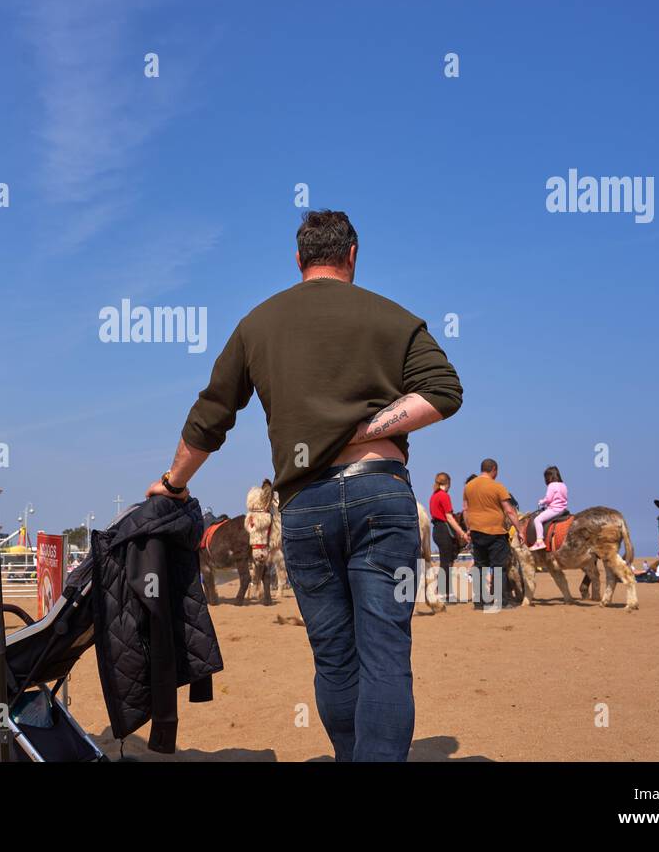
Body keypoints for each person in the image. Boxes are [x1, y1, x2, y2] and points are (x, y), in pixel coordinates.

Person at [146, 210, 462, 762]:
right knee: (386, 653)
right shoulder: (396, 318)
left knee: (335, 659)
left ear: (298, 260)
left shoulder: (258, 324)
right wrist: (366, 429)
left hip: (306, 505)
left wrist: (174, 483)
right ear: (353, 255)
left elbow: (211, 416)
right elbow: (443, 392)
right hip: (382, 496)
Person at [462, 460, 520, 610]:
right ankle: (501, 601)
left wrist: (469, 528)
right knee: (499, 566)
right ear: (494, 470)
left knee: (480, 567)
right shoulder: (498, 487)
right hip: (496, 532)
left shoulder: (469, 487)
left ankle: (479, 602)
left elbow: (465, 510)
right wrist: (520, 530)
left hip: (476, 532)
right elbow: (509, 510)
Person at [429, 472, 468, 602]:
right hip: (444, 530)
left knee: (444, 562)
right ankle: (444, 594)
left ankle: (444, 592)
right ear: (448, 483)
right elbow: (449, 518)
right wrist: (462, 532)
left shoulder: (433, 496)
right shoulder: (444, 496)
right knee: (446, 563)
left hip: (436, 530)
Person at [529, 466, 568, 551]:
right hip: (563, 509)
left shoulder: (552, 485)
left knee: (537, 520)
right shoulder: (563, 485)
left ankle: (539, 541)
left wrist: (541, 502)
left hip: (554, 510)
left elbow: (548, 499)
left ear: (549, 477)